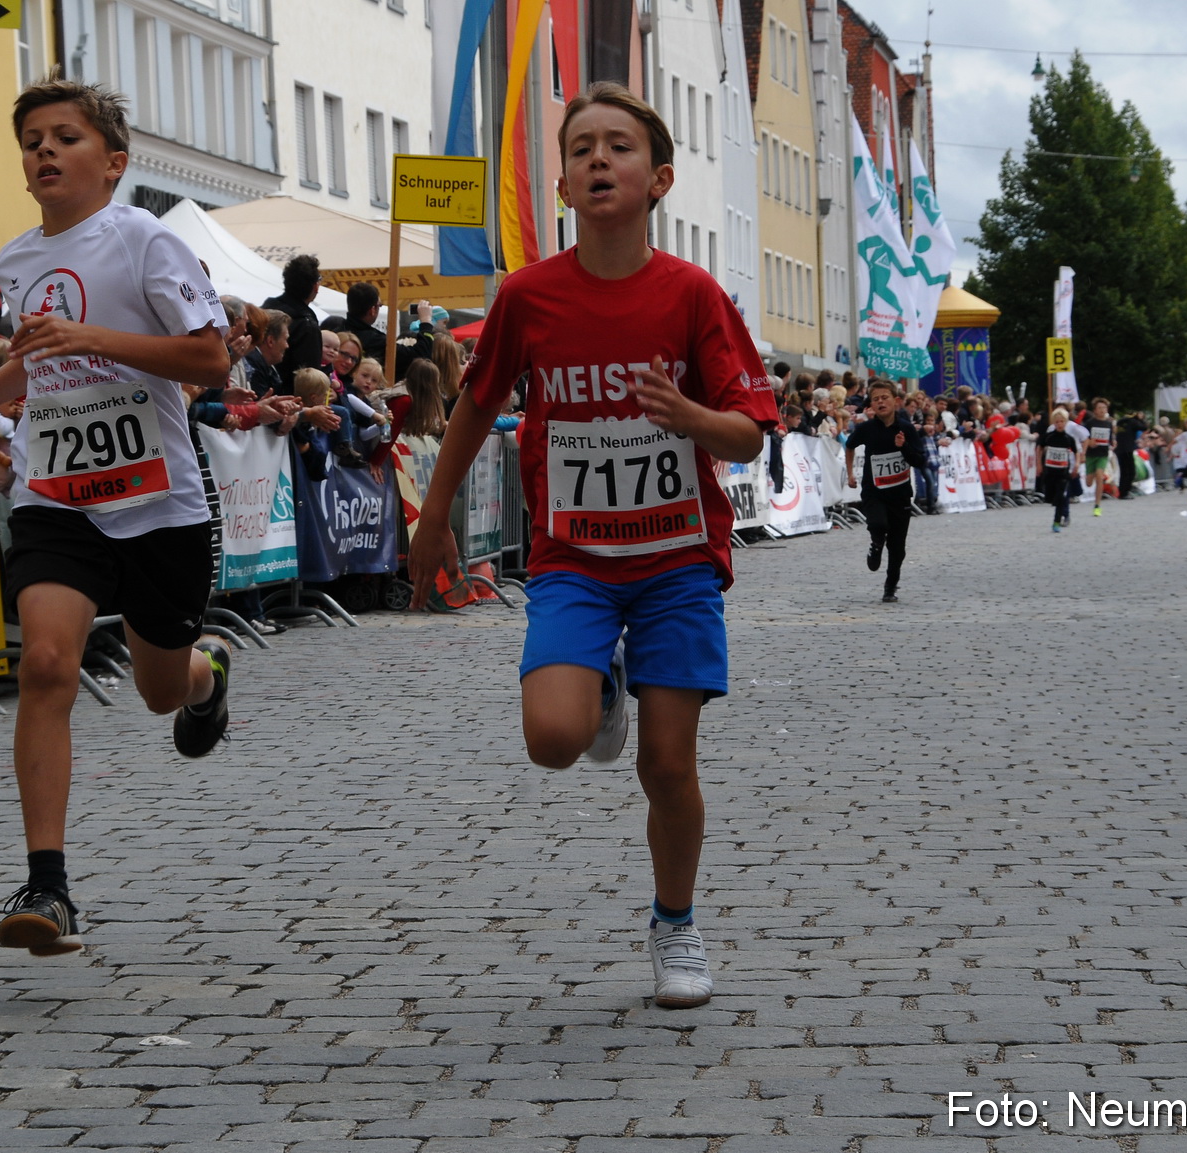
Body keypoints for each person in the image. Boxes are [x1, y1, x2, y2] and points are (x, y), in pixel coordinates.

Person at [405, 81, 775, 1010]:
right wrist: (433, 513)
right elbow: (475, 405)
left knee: (667, 765)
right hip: (573, 556)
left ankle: (674, 922)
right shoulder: (529, 296)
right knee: (553, 739)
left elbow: (748, 435)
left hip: (677, 557)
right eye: (580, 149)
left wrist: (688, 414)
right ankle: (601, 683)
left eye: (618, 145)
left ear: (660, 179)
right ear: (563, 185)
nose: (598, 158)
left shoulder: (693, 294)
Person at [0, 75, 235, 958]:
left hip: (157, 499)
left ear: (113, 162)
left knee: (159, 688)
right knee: (46, 665)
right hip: (57, 493)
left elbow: (211, 359)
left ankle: (206, 674)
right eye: (32, 140)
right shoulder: (18, 260)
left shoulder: (144, 241)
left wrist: (95, 338)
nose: (45, 151)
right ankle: (48, 886)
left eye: (65, 137)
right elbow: (39, 361)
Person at [843, 383, 925, 601]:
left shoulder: (906, 429)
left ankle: (890, 587)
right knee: (878, 525)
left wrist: (903, 446)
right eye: (876, 398)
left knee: (897, 548)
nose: (880, 402)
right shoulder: (866, 429)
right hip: (874, 491)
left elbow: (920, 460)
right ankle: (876, 544)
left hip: (900, 494)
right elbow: (849, 446)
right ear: (871, 404)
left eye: (885, 397)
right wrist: (850, 474)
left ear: (895, 401)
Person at [263, 253, 324, 382]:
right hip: (289, 392)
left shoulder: (264, 310)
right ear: (316, 286)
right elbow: (310, 377)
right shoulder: (306, 324)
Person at [1037, 407, 1078, 531]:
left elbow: (1076, 452)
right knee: (1050, 497)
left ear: (1066, 422)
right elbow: (1039, 448)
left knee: (1060, 496)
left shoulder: (1068, 439)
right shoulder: (1049, 437)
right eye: (1057, 422)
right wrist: (1039, 464)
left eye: (1062, 421)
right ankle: (1058, 508)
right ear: (1053, 423)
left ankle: (1056, 521)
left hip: (1063, 472)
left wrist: (1076, 465)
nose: (1060, 424)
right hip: (1050, 471)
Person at [1082, 398, 1114, 515]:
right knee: (1089, 483)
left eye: (1104, 408)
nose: (1102, 410)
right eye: (1099, 408)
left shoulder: (1109, 424)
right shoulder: (1089, 423)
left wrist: (1113, 443)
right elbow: (1084, 438)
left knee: (1100, 477)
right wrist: (1089, 443)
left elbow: (1110, 440)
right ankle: (1093, 474)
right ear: (1095, 410)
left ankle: (1097, 506)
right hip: (1091, 455)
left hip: (1102, 455)